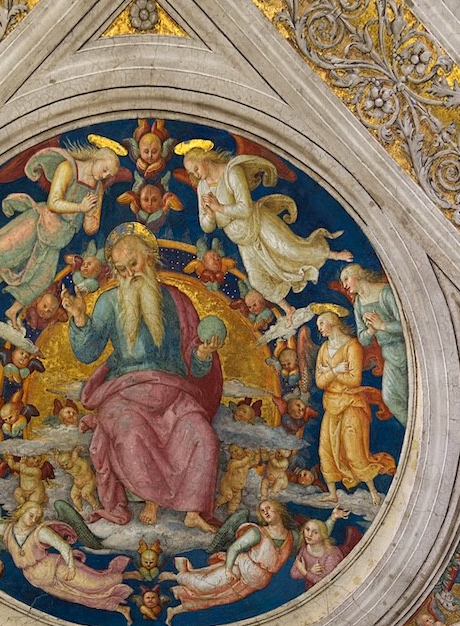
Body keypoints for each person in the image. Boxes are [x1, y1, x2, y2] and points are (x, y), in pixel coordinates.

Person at [61, 223, 224, 532]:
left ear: (149, 257)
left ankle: (193, 510)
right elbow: (88, 352)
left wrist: (203, 355)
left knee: (203, 436)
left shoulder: (177, 301)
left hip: (174, 393)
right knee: (130, 435)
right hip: (125, 392)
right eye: (120, 269)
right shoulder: (109, 302)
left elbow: (196, 366)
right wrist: (80, 318)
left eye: (133, 264)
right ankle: (152, 499)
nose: (129, 274)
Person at [0, 146, 120, 325]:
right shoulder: (68, 168)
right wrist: (80, 207)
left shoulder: (97, 188)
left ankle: (12, 311)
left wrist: (89, 214)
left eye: (109, 174)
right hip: (41, 220)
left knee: (41, 280)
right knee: (4, 247)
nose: (105, 175)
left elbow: (91, 228)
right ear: (97, 158)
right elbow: (53, 203)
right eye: (105, 169)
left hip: (58, 237)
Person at [183, 147, 352, 323]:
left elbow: (245, 208)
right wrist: (211, 216)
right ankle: (288, 309)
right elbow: (205, 225)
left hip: (258, 222)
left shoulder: (231, 172)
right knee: (257, 280)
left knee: (290, 249)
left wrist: (219, 208)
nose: (196, 175)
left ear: (205, 158)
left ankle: (332, 254)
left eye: (196, 169)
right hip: (242, 239)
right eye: (191, 173)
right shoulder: (202, 187)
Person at [161, 500, 345, 625]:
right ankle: (177, 576)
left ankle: (174, 609)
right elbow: (234, 548)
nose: (265, 512)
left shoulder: (293, 537)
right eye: (262, 511)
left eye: (268, 508)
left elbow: (318, 536)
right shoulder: (257, 532)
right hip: (239, 570)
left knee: (211, 600)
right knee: (203, 586)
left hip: (253, 584)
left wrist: (333, 518)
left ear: (279, 510)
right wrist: (228, 570)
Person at [0, 501, 132, 624]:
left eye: (37, 518)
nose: (33, 520)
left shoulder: (40, 532)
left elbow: (63, 547)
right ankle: (119, 608)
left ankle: (126, 576)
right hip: (38, 580)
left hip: (56, 568)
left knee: (95, 584)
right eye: (31, 515)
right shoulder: (7, 530)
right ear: (22, 511)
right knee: (79, 597)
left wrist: (71, 568)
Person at [315, 312, 396, 506]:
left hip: (352, 402)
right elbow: (319, 382)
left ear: (332, 323)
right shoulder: (324, 349)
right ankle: (333, 494)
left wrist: (329, 373)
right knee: (326, 449)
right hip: (331, 402)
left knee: (354, 450)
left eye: (321, 323)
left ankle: (373, 492)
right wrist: (336, 370)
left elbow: (354, 380)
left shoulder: (353, 346)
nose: (319, 328)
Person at [340, 263, 408, 426]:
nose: (344, 285)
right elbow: (363, 339)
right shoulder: (359, 304)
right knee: (391, 398)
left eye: (346, 279)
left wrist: (382, 326)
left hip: (406, 351)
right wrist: (371, 330)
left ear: (357, 275)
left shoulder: (385, 292)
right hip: (390, 354)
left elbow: (407, 325)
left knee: (410, 396)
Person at [290, 518, 344, 589]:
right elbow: (293, 574)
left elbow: (326, 582)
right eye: (307, 529)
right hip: (311, 589)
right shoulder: (304, 549)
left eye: (315, 532)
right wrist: (310, 571)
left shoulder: (332, 554)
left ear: (323, 535)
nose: (309, 534)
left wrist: (305, 572)